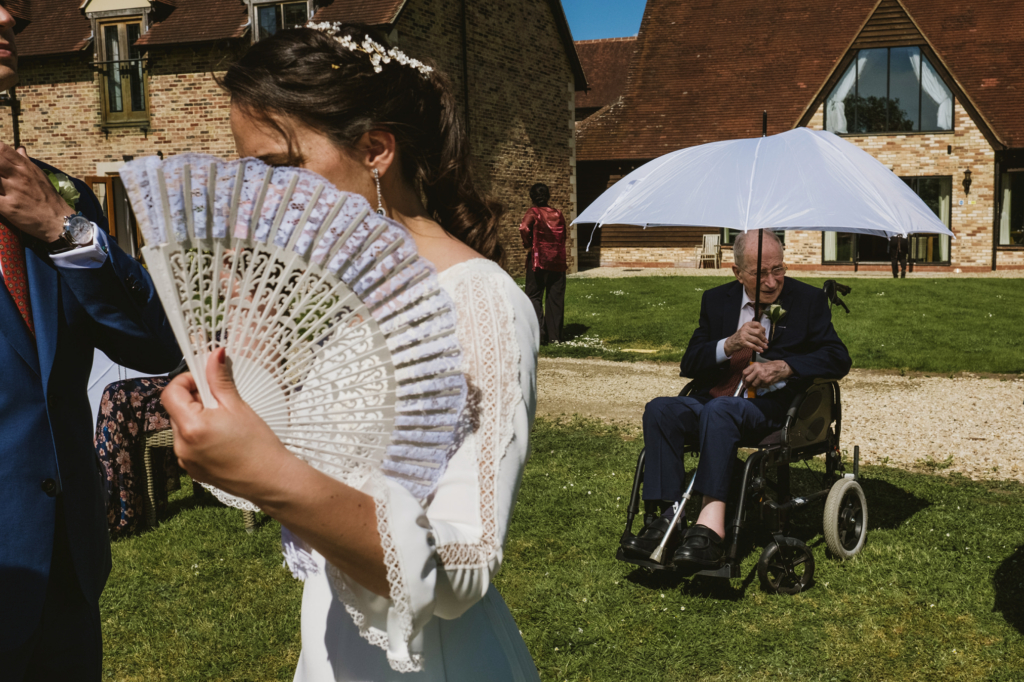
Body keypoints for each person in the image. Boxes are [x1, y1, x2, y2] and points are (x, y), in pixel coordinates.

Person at [160, 24, 541, 681]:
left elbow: (464, 568)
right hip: (330, 650)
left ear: (374, 150)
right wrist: (239, 404)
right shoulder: (341, 298)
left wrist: (268, 474)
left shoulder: (477, 303)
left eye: (280, 170)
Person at [0, 4, 181, 678]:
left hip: (65, 578)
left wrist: (64, 231)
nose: (9, 14)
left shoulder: (57, 193)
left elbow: (154, 347)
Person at [621, 230, 851, 570]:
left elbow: (838, 357)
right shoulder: (717, 300)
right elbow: (690, 362)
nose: (773, 282)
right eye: (761, 273)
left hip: (771, 409)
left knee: (720, 411)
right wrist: (728, 344)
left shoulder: (807, 300)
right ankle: (663, 519)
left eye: (779, 270)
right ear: (737, 272)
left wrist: (784, 367)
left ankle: (710, 530)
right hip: (713, 401)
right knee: (660, 410)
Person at [519, 182, 567, 345]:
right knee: (555, 298)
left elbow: (524, 227)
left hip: (539, 260)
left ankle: (539, 334)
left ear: (532, 197)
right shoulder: (558, 214)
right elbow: (563, 236)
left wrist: (528, 243)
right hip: (558, 261)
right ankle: (555, 337)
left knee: (534, 296)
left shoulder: (533, 212)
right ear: (548, 196)